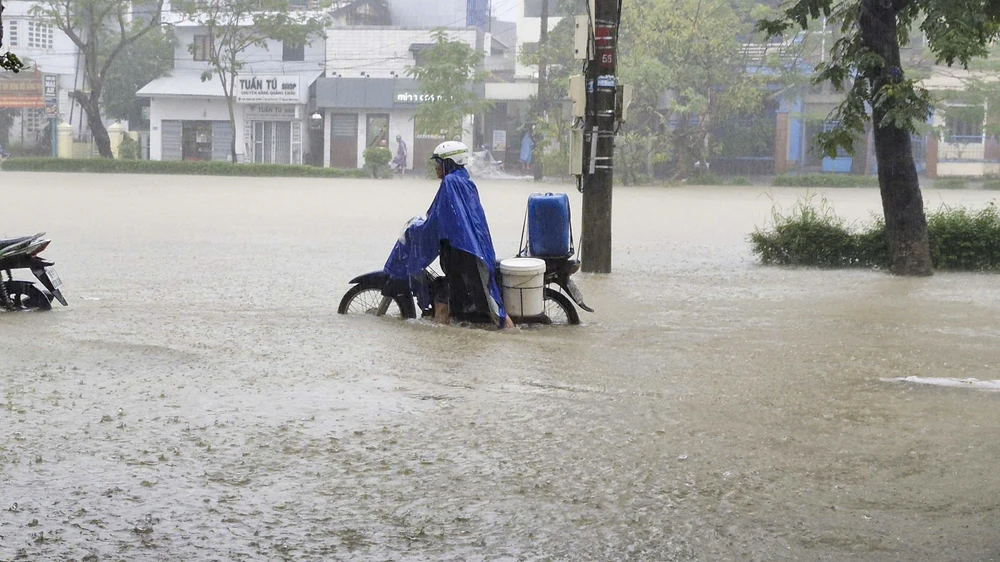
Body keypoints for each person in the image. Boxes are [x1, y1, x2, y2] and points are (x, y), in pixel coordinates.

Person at [383, 141, 514, 329]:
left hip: (465, 255)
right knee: (460, 296)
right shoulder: (464, 181)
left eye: (439, 162)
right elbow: (446, 216)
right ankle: (446, 335)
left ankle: (443, 336)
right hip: (467, 252)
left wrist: (417, 230)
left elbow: (439, 219)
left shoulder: (451, 183)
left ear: (449, 162)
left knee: (482, 304)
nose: (436, 167)